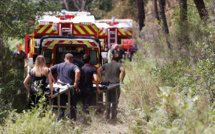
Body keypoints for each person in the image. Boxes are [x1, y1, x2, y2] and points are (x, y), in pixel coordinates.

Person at [50, 53, 80, 120]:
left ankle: (61, 120)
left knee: (61, 106)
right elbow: (77, 72)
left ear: (64, 59)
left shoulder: (58, 65)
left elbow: (48, 70)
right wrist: (75, 83)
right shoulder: (73, 66)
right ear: (72, 59)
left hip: (61, 89)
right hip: (70, 90)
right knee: (72, 106)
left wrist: (53, 80)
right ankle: (73, 121)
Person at [97, 53, 125, 119]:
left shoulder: (106, 65)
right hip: (115, 86)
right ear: (118, 60)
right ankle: (113, 116)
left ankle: (107, 113)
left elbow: (98, 70)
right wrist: (122, 80)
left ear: (112, 59)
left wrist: (101, 79)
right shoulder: (119, 65)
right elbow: (123, 70)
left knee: (108, 101)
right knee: (114, 101)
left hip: (107, 86)